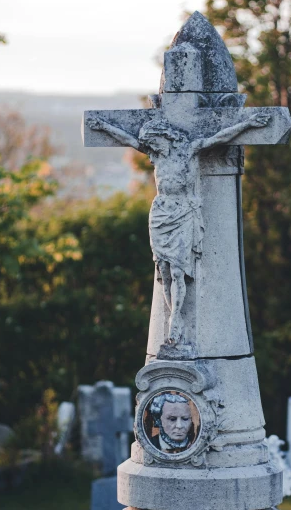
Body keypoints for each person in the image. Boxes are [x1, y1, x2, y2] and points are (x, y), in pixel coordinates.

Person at [88, 109, 271, 345]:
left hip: (182, 212)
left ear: (165, 137)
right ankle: (174, 312)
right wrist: (102, 126)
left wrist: (249, 124)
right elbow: (127, 139)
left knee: (177, 271)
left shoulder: (189, 150)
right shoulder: (156, 153)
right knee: (163, 272)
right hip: (161, 213)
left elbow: (220, 138)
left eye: (154, 143)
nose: (152, 149)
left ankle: (176, 318)